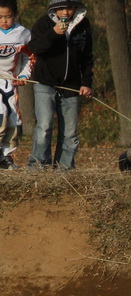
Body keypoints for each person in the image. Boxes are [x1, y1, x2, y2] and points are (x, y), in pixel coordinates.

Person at [27, 0, 93, 170]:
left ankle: (64, 171)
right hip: (45, 83)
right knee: (44, 127)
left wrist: (86, 82)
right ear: (54, 9)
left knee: (70, 134)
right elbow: (35, 47)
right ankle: (37, 167)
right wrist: (53, 33)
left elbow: (87, 56)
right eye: (61, 8)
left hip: (71, 86)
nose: (65, 12)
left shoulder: (83, 25)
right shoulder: (43, 23)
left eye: (70, 8)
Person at [0, 0, 32, 169]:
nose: (4, 21)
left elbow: (29, 57)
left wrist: (24, 74)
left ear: (15, 15)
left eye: (8, 16)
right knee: (1, 114)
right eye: (0, 17)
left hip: (11, 82)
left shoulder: (23, 33)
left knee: (14, 121)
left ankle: (6, 156)